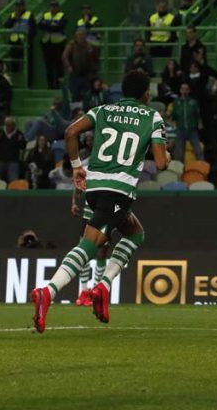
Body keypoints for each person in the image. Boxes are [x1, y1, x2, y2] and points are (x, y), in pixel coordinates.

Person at [31, 70, 170, 333]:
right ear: (146, 94)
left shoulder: (103, 109)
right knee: (90, 246)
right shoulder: (152, 116)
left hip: (94, 191)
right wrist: (168, 156)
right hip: (117, 192)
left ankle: (102, 288)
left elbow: (71, 132)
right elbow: (161, 163)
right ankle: (47, 291)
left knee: (135, 234)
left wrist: (76, 168)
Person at [71, 179, 108, 307]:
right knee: (84, 253)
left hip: (105, 217)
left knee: (101, 254)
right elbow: (78, 185)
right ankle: (84, 291)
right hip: (88, 217)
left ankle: (96, 291)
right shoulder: (91, 170)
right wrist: (74, 203)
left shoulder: (115, 170)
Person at [62, 28, 98, 104]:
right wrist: (68, 66)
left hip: (87, 75)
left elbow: (95, 59)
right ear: (75, 36)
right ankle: (76, 114)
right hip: (75, 74)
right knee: (75, 96)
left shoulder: (89, 46)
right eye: (79, 35)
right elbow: (64, 56)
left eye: (83, 35)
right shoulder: (71, 45)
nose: (81, 37)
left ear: (86, 36)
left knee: (87, 96)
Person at [4, 0, 36, 83]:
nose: (18, 8)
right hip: (14, 43)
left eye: (20, 6)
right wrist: (14, 19)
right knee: (14, 64)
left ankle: (29, 83)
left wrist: (28, 39)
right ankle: (15, 82)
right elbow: (6, 25)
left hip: (25, 43)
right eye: (17, 6)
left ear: (24, 6)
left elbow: (33, 30)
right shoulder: (12, 15)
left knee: (28, 65)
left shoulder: (29, 15)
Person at [39, 0, 67, 89]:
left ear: (58, 8)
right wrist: (52, 25)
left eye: (55, 6)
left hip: (59, 44)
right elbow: (41, 25)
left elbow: (60, 26)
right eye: (52, 6)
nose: (53, 8)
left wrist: (48, 25)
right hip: (47, 43)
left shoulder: (62, 15)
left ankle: (59, 86)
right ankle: (50, 85)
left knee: (59, 66)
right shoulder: (46, 15)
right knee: (49, 66)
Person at [171, 82, 203, 161]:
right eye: (183, 89)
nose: (184, 91)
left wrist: (199, 124)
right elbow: (173, 116)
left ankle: (203, 170)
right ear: (180, 90)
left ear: (189, 91)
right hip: (180, 130)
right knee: (180, 154)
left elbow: (198, 115)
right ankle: (180, 171)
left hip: (192, 130)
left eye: (186, 89)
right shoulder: (176, 102)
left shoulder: (194, 102)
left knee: (198, 151)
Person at [0, 116, 26, 182]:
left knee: (13, 182)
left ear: (14, 125)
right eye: (7, 125)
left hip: (13, 162)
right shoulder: (0, 133)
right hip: (0, 160)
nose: (8, 127)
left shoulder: (19, 134)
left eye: (10, 125)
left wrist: (21, 141)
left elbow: (23, 147)